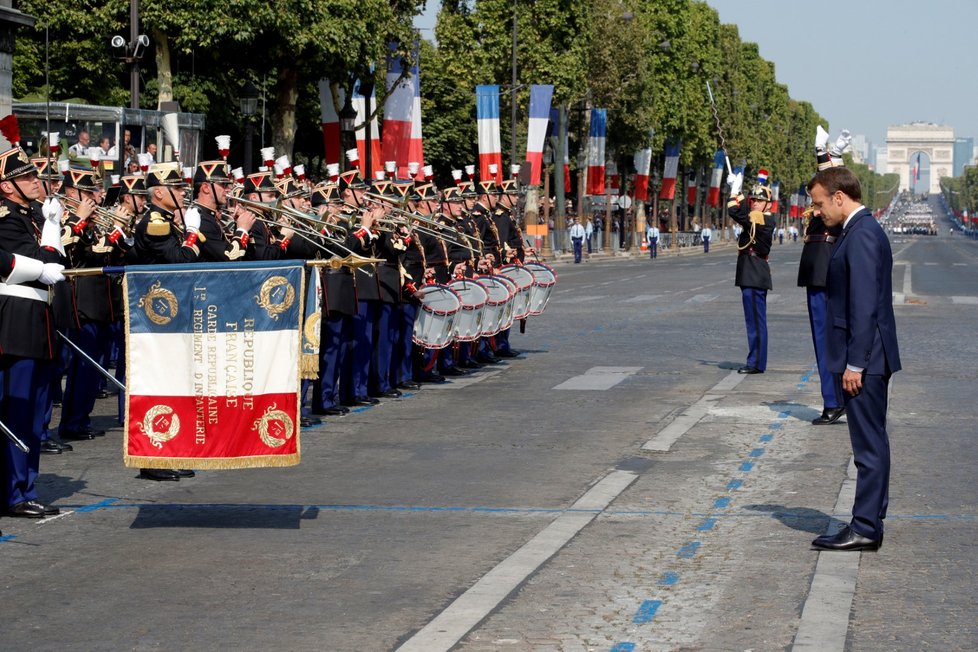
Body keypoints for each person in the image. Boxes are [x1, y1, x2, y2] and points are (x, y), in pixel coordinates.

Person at [808, 166, 901, 552]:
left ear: (840, 197)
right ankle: (871, 516)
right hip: (871, 354)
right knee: (874, 441)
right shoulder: (860, 230)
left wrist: (855, 364)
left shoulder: (861, 235)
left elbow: (864, 306)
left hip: (865, 357)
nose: (816, 211)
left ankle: (864, 526)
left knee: (867, 446)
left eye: (819, 203)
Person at [801, 126, 847, 425]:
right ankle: (835, 398)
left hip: (827, 273)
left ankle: (835, 400)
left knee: (829, 341)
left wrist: (825, 156)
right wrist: (828, 156)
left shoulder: (833, 209)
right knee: (827, 342)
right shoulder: (819, 209)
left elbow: (836, 189)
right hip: (818, 273)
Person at [727, 172, 777, 374]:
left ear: (768, 204)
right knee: (753, 320)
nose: (755, 203)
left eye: (760, 200)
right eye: (754, 199)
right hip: (750, 272)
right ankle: (755, 359)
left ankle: (756, 362)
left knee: (756, 321)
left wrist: (734, 192)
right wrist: (738, 191)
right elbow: (744, 211)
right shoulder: (756, 217)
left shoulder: (764, 219)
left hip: (755, 273)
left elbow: (735, 212)